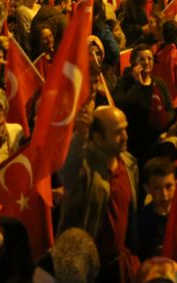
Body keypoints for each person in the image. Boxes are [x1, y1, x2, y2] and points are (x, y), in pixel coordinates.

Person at [59, 105, 140, 283]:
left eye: (126, 129)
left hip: (121, 266)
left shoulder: (129, 164)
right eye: (118, 132)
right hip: (88, 271)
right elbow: (68, 172)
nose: (125, 137)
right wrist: (79, 136)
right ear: (97, 137)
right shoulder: (85, 168)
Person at [137, 156, 177, 261]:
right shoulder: (143, 220)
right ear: (147, 189)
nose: (164, 194)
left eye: (169, 186)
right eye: (157, 188)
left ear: (176, 184)